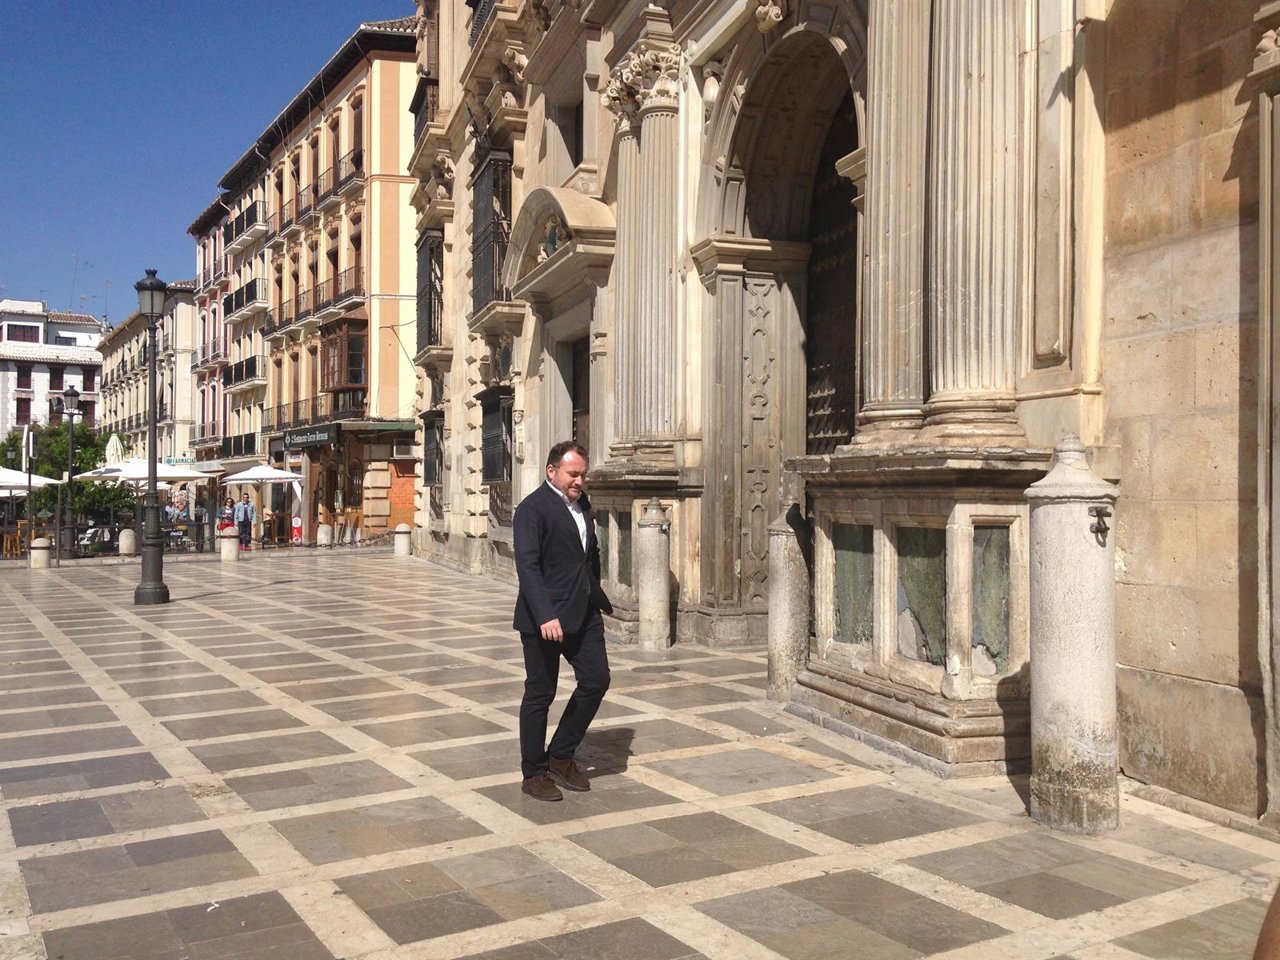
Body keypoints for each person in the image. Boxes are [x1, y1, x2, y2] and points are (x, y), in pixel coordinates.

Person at [512, 440, 613, 802]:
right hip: (545, 619)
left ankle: (561, 754)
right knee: (541, 694)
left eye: (583, 474)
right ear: (551, 471)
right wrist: (545, 614)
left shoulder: (582, 504)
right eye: (573, 474)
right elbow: (527, 565)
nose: (580, 481)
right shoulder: (531, 510)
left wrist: (594, 589)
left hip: (583, 612)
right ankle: (533, 773)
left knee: (597, 680)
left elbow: (589, 553)